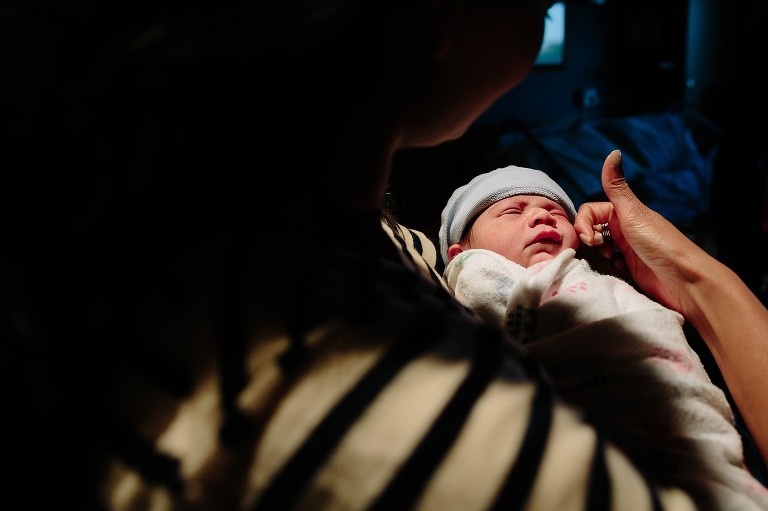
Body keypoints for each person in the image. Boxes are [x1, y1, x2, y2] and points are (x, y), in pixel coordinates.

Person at [4, 1, 768, 509]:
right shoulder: (431, 430)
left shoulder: (306, 241)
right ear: (438, 16)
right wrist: (701, 278)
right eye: (539, 3)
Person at [439, 157, 768, 510]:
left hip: (691, 422)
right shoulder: (476, 271)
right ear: (462, 252)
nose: (541, 216)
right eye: (512, 212)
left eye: (555, 211)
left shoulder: (596, 276)